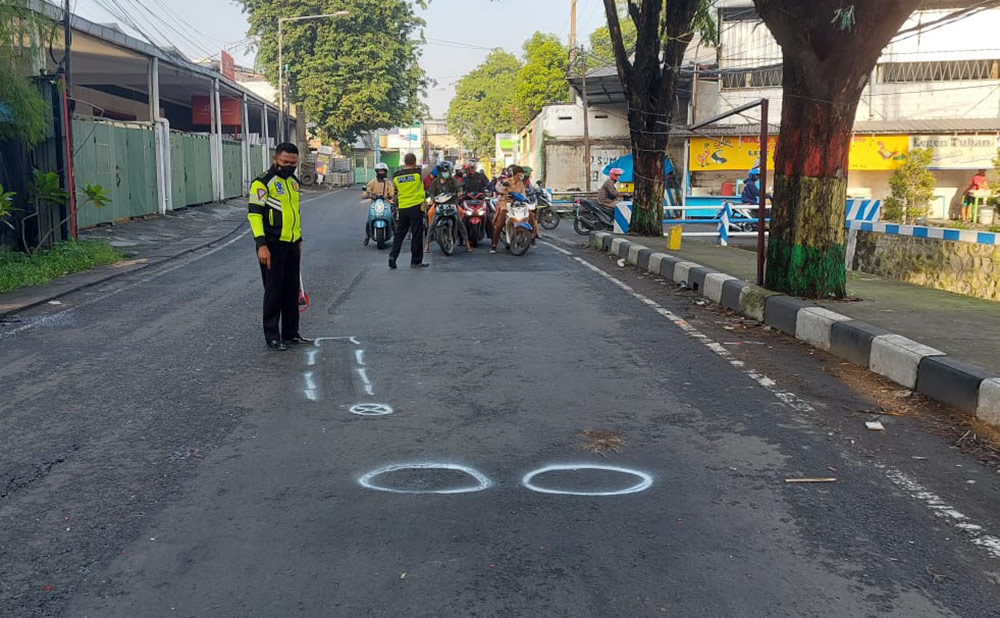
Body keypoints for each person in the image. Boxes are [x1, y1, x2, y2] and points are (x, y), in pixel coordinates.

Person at [248, 143, 311, 351]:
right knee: (274, 292)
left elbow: (295, 213)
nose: (289, 166)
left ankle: (291, 333)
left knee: (292, 290)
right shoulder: (263, 182)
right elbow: (255, 214)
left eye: (293, 163)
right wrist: (261, 245)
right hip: (272, 246)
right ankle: (273, 336)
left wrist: (299, 239)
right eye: (285, 162)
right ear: (275, 159)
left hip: (292, 244)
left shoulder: (294, 182)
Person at [389, 153, 429, 269]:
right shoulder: (418, 173)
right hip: (416, 207)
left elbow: (395, 192)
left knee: (399, 235)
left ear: (404, 162)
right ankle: (415, 262)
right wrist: (435, 158)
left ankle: (392, 257)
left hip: (403, 208)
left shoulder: (396, 176)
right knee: (416, 235)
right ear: (414, 161)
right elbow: (430, 169)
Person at [426, 161, 471, 253]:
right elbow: (431, 192)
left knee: (460, 222)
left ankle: (467, 244)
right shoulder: (435, 182)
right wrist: (431, 198)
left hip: (452, 204)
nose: (445, 173)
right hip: (439, 205)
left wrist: (459, 192)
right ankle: (427, 245)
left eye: (447, 171)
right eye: (443, 171)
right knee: (432, 223)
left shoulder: (453, 180)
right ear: (439, 172)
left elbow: (459, 188)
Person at [490, 165, 528, 254]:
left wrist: (525, 198)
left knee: (529, 216)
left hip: (518, 204)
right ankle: (494, 245)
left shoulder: (521, 183)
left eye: (522, 174)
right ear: (515, 174)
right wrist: (503, 186)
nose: (521, 176)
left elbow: (523, 194)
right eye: (520, 174)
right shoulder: (507, 181)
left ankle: (533, 236)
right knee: (499, 224)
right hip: (505, 203)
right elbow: (500, 190)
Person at [362, 162, 396, 246]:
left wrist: (390, 196)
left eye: (383, 171)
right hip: (375, 204)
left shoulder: (388, 183)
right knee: (368, 220)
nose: (381, 173)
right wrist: (366, 195)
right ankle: (367, 236)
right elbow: (367, 191)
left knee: (391, 219)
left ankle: (396, 236)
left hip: (386, 204)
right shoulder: (372, 182)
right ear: (377, 172)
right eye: (380, 171)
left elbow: (392, 192)